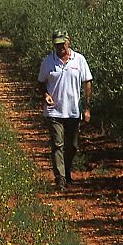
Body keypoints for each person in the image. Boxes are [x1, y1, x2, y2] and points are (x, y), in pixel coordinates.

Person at [37, 30, 93, 191]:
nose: (60, 46)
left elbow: (87, 82)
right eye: (57, 44)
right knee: (57, 144)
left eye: (63, 43)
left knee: (73, 146)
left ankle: (67, 171)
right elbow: (41, 82)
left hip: (73, 111)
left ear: (69, 42)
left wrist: (87, 108)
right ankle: (60, 178)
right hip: (54, 111)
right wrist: (45, 95)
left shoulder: (79, 60)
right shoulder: (48, 62)